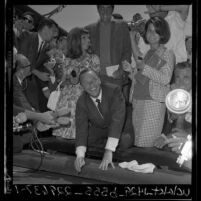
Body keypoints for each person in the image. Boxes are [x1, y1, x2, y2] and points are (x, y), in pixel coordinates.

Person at [128, 16, 175, 147]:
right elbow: (138, 60)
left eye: (156, 31)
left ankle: (148, 167)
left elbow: (165, 78)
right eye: (149, 30)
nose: (152, 34)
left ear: (162, 34)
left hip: (153, 102)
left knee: (146, 143)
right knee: (137, 141)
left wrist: (144, 67)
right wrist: (131, 71)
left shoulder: (167, 53)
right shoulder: (148, 53)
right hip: (138, 99)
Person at [52, 27, 100, 139]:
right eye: (84, 38)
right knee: (61, 136)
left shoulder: (94, 59)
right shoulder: (68, 60)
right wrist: (70, 80)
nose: (88, 40)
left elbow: (96, 81)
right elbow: (63, 82)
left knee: (80, 137)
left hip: (84, 99)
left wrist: (82, 78)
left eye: (88, 38)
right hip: (66, 100)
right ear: (76, 41)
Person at [74, 69, 126, 172]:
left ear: (99, 80)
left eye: (93, 80)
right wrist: (80, 156)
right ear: (82, 87)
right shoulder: (81, 101)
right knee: (86, 143)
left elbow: (117, 120)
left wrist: (109, 150)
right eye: (86, 83)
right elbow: (81, 128)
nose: (91, 84)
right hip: (100, 130)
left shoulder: (114, 90)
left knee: (123, 143)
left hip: (122, 128)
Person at [16, 18, 59, 112]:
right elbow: (22, 61)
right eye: (53, 31)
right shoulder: (27, 35)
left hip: (31, 88)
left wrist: (47, 70)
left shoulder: (44, 47)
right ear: (46, 29)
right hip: (19, 83)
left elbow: (41, 66)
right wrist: (38, 73)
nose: (54, 35)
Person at [85, 5, 132, 90]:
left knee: (116, 103)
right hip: (94, 78)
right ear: (98, 9)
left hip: (115, 77)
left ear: (112, 9)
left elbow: (127, 51)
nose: (105, 11)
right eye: (102, 8)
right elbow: (85, 53)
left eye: (108, 8)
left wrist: (122, 71)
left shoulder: (122, 26)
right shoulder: (88, 29)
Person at [154, 61, 192, 149]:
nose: (180, 82)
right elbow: (168, 121)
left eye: (186, 77)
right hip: (174, 133)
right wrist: (163, 136)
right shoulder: (172, 95)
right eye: (177, 77)